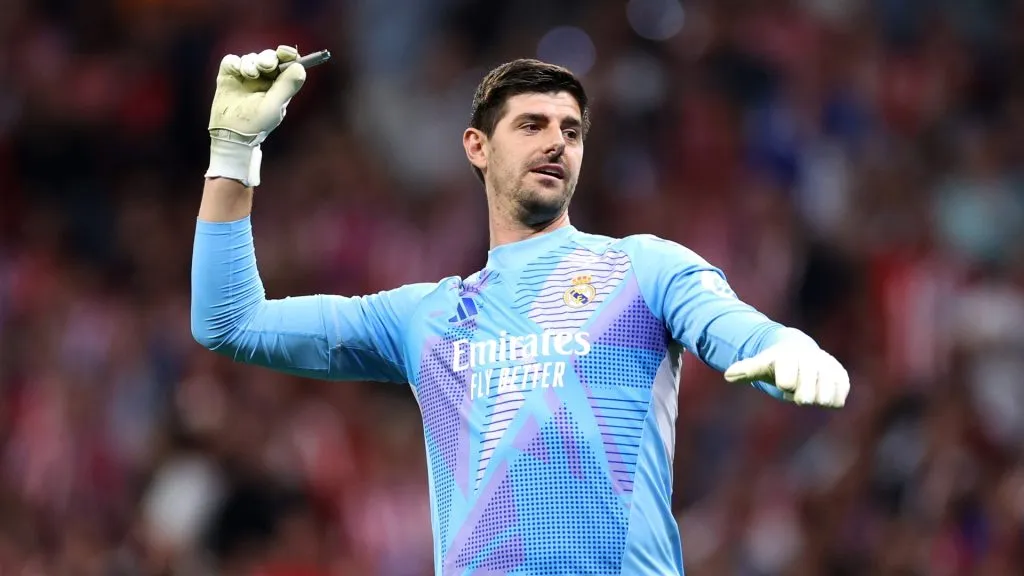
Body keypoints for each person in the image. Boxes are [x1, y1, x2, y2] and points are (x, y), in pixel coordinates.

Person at [191, 46, 850, 576]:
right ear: (477, 146)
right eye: (532, 125)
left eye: (571, 131)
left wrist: (783, 344)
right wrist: (232, 151)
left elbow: (728, 325)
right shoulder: (425, 317)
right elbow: (229, 321)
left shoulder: (644, 268)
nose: (556, 143)